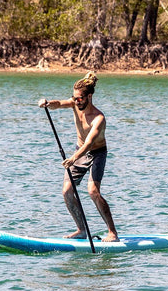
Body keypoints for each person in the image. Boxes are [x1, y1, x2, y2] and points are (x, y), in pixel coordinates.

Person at [38, 71, 119, 242]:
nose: (76, 101)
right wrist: (47, 103)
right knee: (67, 192)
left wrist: (73, 158)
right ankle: (81, 229)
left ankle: (112, 232)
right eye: (74, 98)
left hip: (96, 153)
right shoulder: (74, 104)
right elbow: (59, 103)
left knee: (93, 191)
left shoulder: (98, 118)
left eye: (80, 98)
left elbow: (89, 143)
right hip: (78, 152)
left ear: (89, 96)